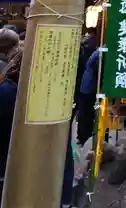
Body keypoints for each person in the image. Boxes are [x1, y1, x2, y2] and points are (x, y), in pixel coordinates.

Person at [0, 51, 74, 207]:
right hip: (44, 180)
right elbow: (64, 153)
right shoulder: (54, 98)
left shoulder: (6, 90)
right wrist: (66, 197)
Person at [77, 48, 100, 146]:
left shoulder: (98, 51)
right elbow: (99, 71)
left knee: (84, 113)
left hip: (86, 85)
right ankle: (84, 137)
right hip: (89, 86)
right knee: (87, 114)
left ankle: (82, 137)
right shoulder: (101, 53)